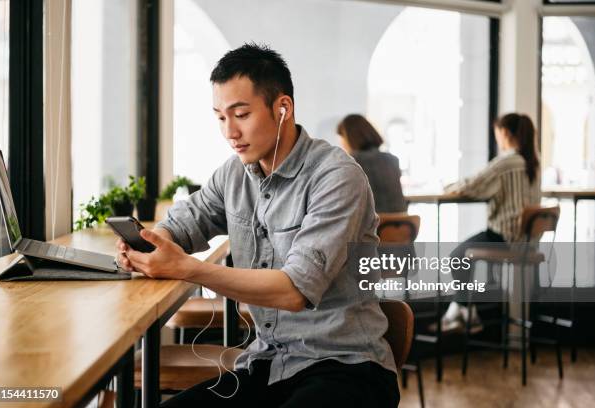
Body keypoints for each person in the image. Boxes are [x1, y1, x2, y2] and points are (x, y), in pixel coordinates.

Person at [116, 43, 399, 407]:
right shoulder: (233, 175)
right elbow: (187, 220)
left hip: (345, 366)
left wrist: (188, 268)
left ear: (283, 108)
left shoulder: (337, 176)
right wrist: (154, 244)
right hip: (268, 362)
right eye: (220, 117)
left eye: (241, 114)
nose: (229, 131)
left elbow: (294, 291)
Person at [436, 113, 541, 333]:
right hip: (528, 241)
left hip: (506, 237)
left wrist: (447, 187)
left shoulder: (506, 162)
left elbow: (473, 184)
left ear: (504, 133)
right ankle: (463, 311)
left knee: (457, 257)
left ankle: (464, 310)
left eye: (497, 134)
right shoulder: (532, 162)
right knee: (463, 255)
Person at [337, 114, 406, 213]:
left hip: (373, 225)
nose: (341, 143)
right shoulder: (392, 159)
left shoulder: (351, 162)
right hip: (404, 225)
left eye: (342, 137)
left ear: (349, 138)